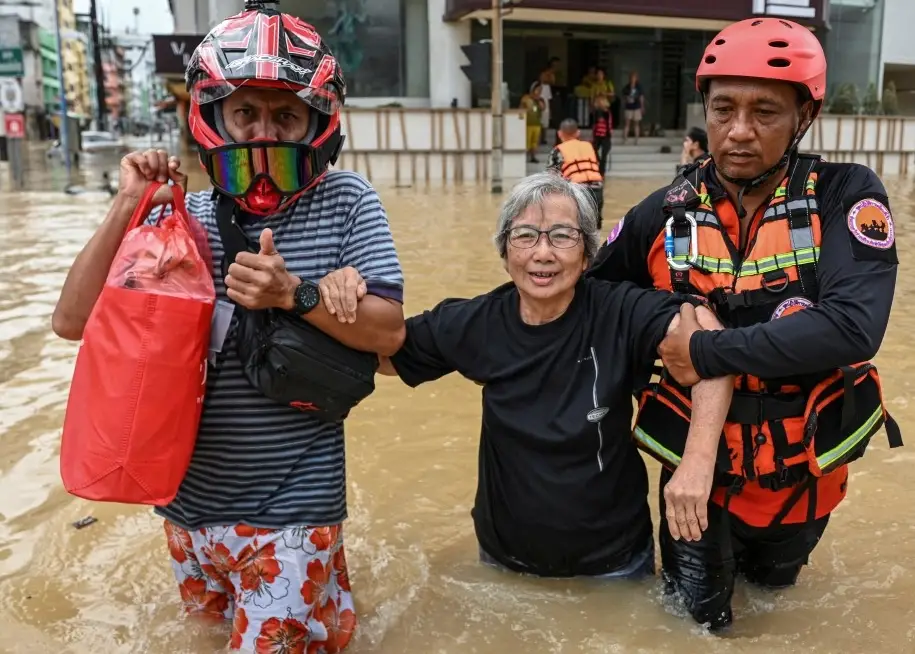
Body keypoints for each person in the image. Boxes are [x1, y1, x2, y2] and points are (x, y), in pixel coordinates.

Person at [51, 2, 405, 651]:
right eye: (245, 113)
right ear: (214, 118)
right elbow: (74, 322)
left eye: (285, 115)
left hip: (293, 509)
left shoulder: (347, 201)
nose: (263, 132)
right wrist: (129, 203)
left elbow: (389, 336)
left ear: (316, 123)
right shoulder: (178, 216)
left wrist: (293, 294)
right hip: (186, 511)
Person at [588, 18, 902, 631]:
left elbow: (852, 328)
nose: (737, 132)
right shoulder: (665, 211)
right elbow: (592, 298)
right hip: (694, 476)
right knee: (698, 626)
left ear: (803, 117)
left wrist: (705, 349)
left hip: (803, 472)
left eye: (765, 112)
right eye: (723, 108)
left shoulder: (843, 194)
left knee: (777, 596)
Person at [372, 172, 735, 580]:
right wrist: (333, 295)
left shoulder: (618, 311)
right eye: (525, 236)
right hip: (505, 563)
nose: (542, 253)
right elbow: (383, 353)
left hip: (615, 564)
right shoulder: (477, 323)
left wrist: (697, 463)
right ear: (505, 251)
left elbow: (710, 344)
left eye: (562, 236)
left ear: (587, 254)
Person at [547, 118, 605, 228]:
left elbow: (551, 178)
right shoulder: (589, 146)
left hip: (577, 191)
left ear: (560, 134)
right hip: (597, 190)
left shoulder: (557, 150)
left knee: (575, 227)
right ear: (578, 133)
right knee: (594, 228)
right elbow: (597, 166)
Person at [521, 84, 544, 163]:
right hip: (528, 123)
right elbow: (522, 108)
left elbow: (543, 108)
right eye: (537, 90)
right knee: (527, 141)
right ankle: (524, 157)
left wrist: (538, 101)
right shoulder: (526, 98)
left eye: (540, 90)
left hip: (537, 123)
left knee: (535, 142)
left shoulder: (540, 100)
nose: (539, 92)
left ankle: (533, 156)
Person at [621, 71, 645, 145]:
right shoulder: (626, 87)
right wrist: (626, 100)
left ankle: (637, 139)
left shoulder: (639, 87)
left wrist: (642, 106)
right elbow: (624, 97)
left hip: (636, 107)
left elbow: (641, 97)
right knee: (627, 124)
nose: (633, 79)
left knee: (636, 124)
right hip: (629, 107)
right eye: (631, 78)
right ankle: (625, 139)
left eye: (634, 78)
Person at [592, 95, 613, 177]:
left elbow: (609, 124)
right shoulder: (596, 112)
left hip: (605, 136)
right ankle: (598, 166)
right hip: (597, 136)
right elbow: (594, 124)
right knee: (594, 151)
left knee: (604, 155)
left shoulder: (607, 113)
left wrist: (609, 134)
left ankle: (602, 172)